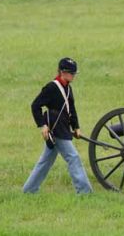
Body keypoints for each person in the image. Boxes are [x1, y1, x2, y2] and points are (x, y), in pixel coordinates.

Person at [23, 57, 92, 194]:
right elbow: (35, 106)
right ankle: (84, 192)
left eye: (73, 73)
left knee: (45, 162)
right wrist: (42, 125)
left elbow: (71, 109)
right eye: (70, 73)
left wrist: (76, 127)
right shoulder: (51, 87)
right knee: (73, 157)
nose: (72, 76)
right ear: (62, 72)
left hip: (64, 128)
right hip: (56, 129)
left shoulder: (68, 88)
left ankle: (29, 190)